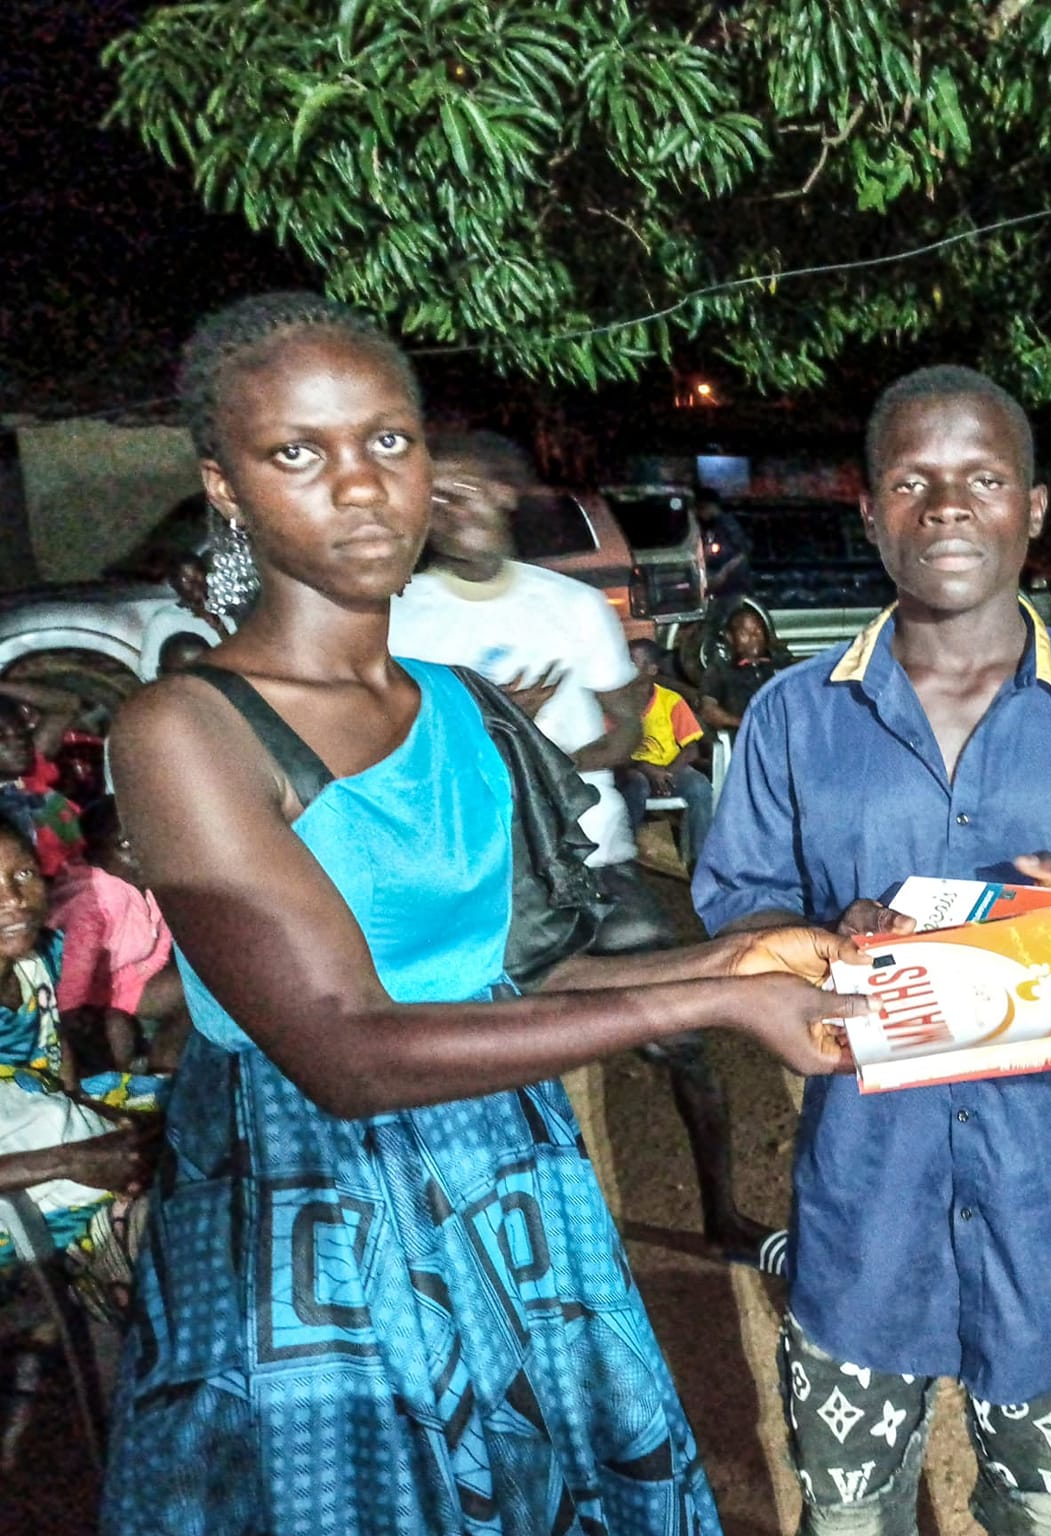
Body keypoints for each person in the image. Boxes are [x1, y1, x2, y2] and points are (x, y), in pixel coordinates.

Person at [99, 290, 860, 1535]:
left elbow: (524, 976)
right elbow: (342, 1050)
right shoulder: (187, 729)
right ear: (225, 486)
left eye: (387, 442)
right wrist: (719, 999)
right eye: (299, 453)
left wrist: (746, 950)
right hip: (316, 1219)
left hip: (509, 1185)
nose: (360, 487)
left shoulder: (463, 705)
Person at [695, 365, 1051, 1536]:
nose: (945, 508)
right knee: (846, 1514)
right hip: (863, 1215)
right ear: (867, 510)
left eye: (981, 477)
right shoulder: (792, 715)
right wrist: (816, 940)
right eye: (909, 481)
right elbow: (737, 904)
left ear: (1033, 509)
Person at [389, 429, 669, 953]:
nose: (452, 510)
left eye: (465, 490)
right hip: (475, 873)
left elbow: (628, 730)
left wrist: (538, 759)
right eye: (434, 497)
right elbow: (390, 757)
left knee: (666, 1016)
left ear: (504, 491)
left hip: (592, 855)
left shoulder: (576, 605)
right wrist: (485, 722)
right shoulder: (396, 621)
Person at [0, 818, 160, 1297]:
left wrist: (106, 1123)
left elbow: (61, 1065)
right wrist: (71, 1159)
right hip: (24, 1178)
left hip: (54, 1131)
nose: (12, 899)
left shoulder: (38, 960)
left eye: (23, 875)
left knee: (199, 1104)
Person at [48, 798, 185, 1077]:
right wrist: (74, 1012)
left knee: (196, 990)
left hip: (122, 979)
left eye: (148, 838)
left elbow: (161, 940)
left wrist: (144, 972)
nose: (140, 851)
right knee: (114, 1032)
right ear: (94, 854)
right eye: (123, 845)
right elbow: (75, 968)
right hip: (81, 992)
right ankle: (120, 1087)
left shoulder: (146, 883)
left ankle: (163, 1072)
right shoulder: (97, 901)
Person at [620, 637, 715, 869]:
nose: (625, 667)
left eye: (632, 662)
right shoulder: (618, 701)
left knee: (699, 786)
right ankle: (625, 857)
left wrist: (667, 773)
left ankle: (699, 861)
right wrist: (647, 769)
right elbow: (614, 751)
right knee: (636, 784)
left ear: (652, 669)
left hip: (669, 768)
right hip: (633, 768)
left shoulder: (671, 701)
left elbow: (691, 748)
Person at [0, 697, 84, 879]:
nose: (19, 742)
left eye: (22, 734)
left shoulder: (32, 777)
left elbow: (66, 705)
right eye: (1, 736)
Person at [138, 553, 234, 681]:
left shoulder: (225, 620)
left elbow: (239, 661)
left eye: (198, 575)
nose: (194, 583)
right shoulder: (164, 620)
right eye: (185, 579)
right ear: (174, 584)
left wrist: (220, 628)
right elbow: (147, 671)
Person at [694, 604, 785, 733]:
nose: (753, 637)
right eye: (744, 633)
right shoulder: (720, 671)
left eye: (757, 630)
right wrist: (747, 724)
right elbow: (708, 711)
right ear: (730, 637)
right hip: (743, 739)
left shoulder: (780, 666)